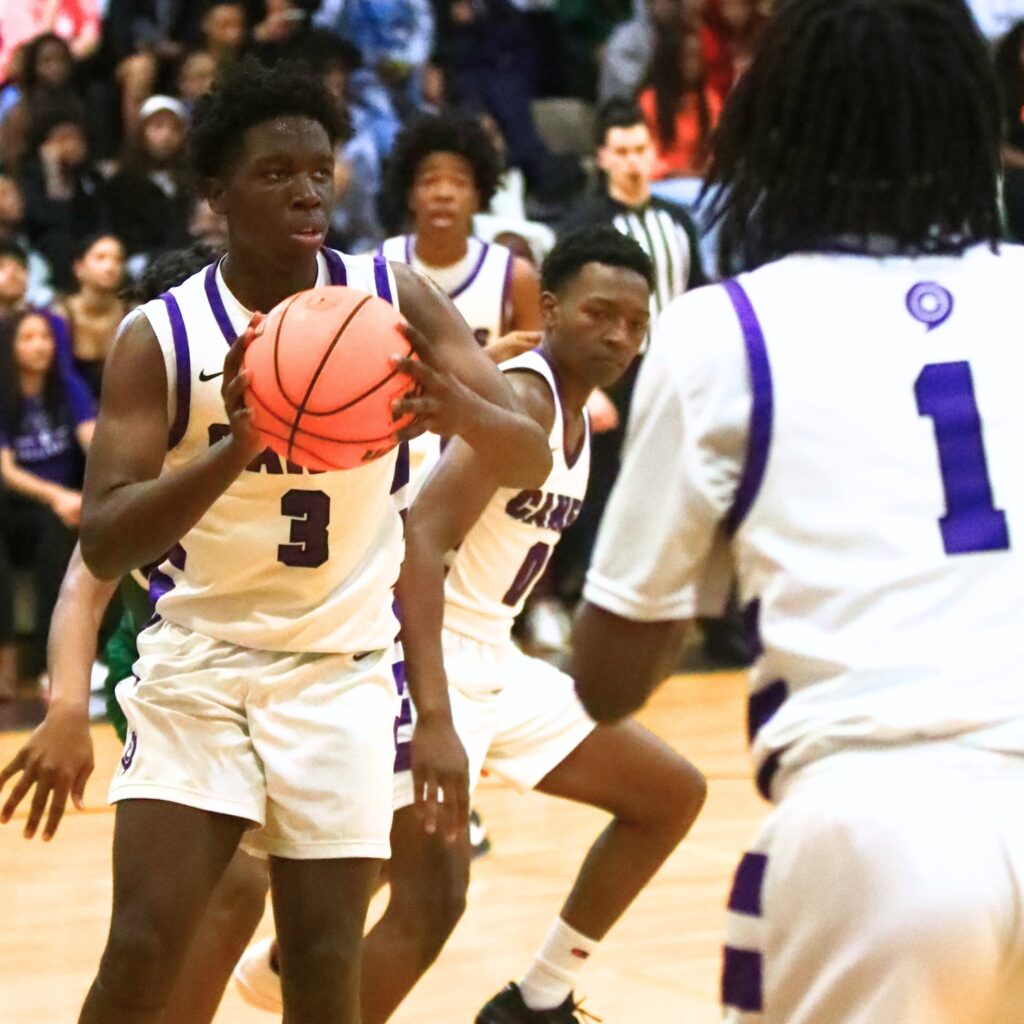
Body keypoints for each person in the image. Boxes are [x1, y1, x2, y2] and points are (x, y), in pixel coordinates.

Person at [65, 55, 550, 1024]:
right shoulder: (159, 336)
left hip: (341, 675)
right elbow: (108, 535)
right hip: (201, 668)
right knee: (144, 942)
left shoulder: (393, 297)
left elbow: (529, 453)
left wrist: (454, 402)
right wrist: (239, 442)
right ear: (215, 192)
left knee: (324, 963)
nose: (307, 190)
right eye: (275, 172)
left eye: (319, 169)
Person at [571, 2, 1024, 1022]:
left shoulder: (721, 331)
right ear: (970, 116)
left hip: (879, 821)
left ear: (776, 124)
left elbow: (607, 679)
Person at [234, 225, 707, 1024]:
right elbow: (422, 538)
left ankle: (540, 998)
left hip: (496, 655)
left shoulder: (569, 407)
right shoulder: (523, 395)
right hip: (423, 652)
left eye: (636, 321)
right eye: (600, 314)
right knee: (435, 900)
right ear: (551, 308)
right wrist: (438, 722)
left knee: (669, 794)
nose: (621, 335)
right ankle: (295, 968)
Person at [379, 112, 544, 482]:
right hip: (395, 455)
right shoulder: (378, 266)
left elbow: (534, 387)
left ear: (479, 195)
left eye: (458, 182)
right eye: (429, 181)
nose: (443, 192)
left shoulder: (514, 276)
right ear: (408, 194)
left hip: (476, 461)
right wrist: (491, 358)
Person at [0, 310, 96, 695]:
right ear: (9, 347)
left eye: (46, 337)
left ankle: (48, 665)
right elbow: (5, 471)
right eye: (28, 338)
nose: (40, 345)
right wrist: (58, 496)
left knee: (58, 538)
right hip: (11, 504)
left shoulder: (67, 386)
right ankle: (6, 662)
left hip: (58, 509)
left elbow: (93, 439)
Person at [55, 234, 127, 398]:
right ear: (79, 267)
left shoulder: (133, 314)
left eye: (118, 259)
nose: (110, 266)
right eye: (100, 258)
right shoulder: (60, 315)